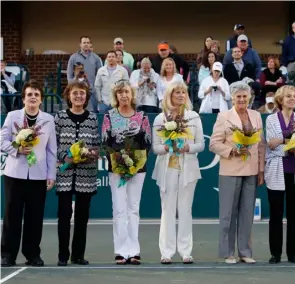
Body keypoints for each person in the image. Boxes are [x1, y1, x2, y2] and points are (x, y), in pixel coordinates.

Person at [1, 80, 57, 267]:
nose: (33, 97)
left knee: (35, 217)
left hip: (38, 175)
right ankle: (8, 254)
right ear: (24, 98)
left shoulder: (48, 119)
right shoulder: (12, 116)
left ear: (41, 100)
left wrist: (51, 175)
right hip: (14, 174)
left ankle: (32, 254)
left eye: (36, 95)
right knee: (12, 215)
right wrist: (16, 149)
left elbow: (51, 150)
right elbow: (2, 141)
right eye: (29, 94)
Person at [209, 81, 266, 264]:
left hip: (251, 170)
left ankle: (245, 252)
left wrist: (261, 169)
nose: (241, 99)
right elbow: (214, 143)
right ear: (232, 98)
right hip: (230, 170)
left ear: (249, 97)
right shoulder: (223, 117)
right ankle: (228, 253)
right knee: (228, 213)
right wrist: (232, 151)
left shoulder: (256, 115)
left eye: (244, 96)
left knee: (247, 213)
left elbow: (261, 144)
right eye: (238, 96)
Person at [152, 82, 205, 264]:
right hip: (167, 168)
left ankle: (185, 251)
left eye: (183, 92)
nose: (181, 95)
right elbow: (156, 147)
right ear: (169, 96)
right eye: (177, 92)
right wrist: (166, 147)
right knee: (167, 209)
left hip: (188, 168)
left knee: (185, 209)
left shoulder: (194, 117)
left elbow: (201, 144)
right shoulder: (160, 118)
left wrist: (188, 147)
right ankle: (166, 252)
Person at [101, 80, 152, 265]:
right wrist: (120, 166)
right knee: (119, 210)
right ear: (116, 96)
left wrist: (134, 166)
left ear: (132, 95)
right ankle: (121, 251)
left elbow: (147, 143)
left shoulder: (142, 116)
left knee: (133, 209)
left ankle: (134, 251)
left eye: (127, 92)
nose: (124, 95)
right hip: (116, 171)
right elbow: (106, 143)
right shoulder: (109, 116)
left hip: (138, 171)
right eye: (120, 92)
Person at [54, 81, 100, 266]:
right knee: (64, 215)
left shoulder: (92, 118)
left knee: (82, 217)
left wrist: (90, 154)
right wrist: (65, 156)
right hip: (65, 174)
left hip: (86, 175)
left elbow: (97, 145)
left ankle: (78, 255)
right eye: (75, 93)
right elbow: (53, 144)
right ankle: (63, 255)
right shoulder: (60, 117)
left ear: (86, 96)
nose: (78, 96)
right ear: (69, 96)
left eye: (82, 93)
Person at [264, 85, 295, 264]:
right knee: (276, 215)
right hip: (275, 173)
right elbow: (272, 148)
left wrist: (282, 140)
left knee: (294, 215)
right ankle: (275, 253)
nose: (291, 99)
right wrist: (291, 143)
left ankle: (293, 253)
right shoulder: (271, 120)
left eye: (294, 96)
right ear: (280, 100)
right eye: (287, 96)